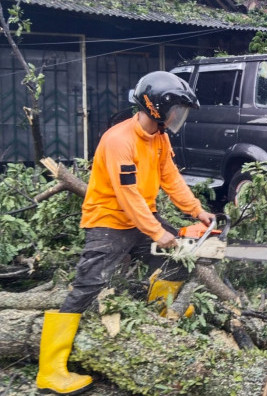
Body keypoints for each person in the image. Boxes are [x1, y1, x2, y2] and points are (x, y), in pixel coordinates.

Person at [35, 71, 215, 395]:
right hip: (108, 220)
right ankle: (50, 370)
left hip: (141, 217)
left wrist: (197, 211)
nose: (177, 118)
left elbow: (171, 178)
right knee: (90, 284)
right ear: (157, 106)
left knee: (180, 259)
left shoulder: (159, 137)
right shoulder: (119, 140)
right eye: (175, 110)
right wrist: (158, 232)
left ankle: (162, 310)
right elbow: (127, 196)